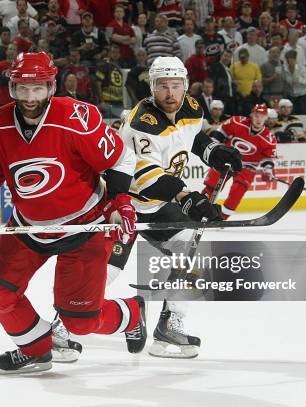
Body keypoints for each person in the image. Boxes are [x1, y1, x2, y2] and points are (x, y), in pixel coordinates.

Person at [0, 51, 145, 374]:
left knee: (80, 322)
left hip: (86, 228)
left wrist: (120, 200)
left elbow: (120, 160)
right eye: (23, 88)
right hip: (29, 227)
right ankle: (36, 348)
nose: (30, 97)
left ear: (51, 87)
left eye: (38, 89)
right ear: (12, 88)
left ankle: (133, 314)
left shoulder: (78, 117)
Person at [102, 56, 242, 359]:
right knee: (102, 272)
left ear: (186, 86)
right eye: (162, 86)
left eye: (176, 85)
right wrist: (186, 197)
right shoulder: (142, 123)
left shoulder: (191, 107)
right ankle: (62, 326)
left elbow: (192, 137)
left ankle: (169, 327)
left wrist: (213, 151)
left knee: (192, 253)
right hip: (122, 202)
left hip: (159, 203)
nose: (170, 92)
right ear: (152, 88)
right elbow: (146, 177)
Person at [202, 104, 276, 219]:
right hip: (226, 160)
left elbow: (268, 158)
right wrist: (213, 148)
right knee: (211, 185)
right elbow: (221, 132)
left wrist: (268, 170)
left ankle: (222, 217)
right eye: (256, 115)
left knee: (238, 190)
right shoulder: (237, 122)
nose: (259, 119)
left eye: (262, 116)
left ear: (266, 117)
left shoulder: (269, 138)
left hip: (248, 166)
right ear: (251, 115)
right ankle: (200, 209)